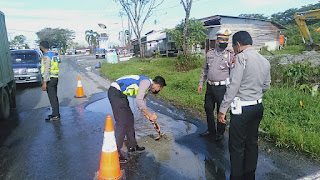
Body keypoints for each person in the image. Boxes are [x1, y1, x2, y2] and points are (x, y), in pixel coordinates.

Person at [218, 31, 271, 179]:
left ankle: (236, 177)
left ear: (238, 44)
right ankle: (249, 176)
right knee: (252, 143)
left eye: (234, 46)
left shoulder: (241, 58)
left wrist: (222, 109)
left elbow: (233, 86)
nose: (234, 49)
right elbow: (266, 86)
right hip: (257, 107)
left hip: (241, 109)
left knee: (236, 146)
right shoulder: (264, 60)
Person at [108, 75, 166, 164]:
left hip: (121, 95)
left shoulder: (147, 87)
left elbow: (142, 107)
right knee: (122, 123)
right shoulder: (146, 82)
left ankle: (133, 146)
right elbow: (138, 101)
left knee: (130, 120)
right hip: (115, 93)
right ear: (159, 86)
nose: (157, 91)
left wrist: (153, 121)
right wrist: (150, 115)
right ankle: (115, 153)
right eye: (159, 89)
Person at [198, 29, 233, 141]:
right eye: (222, 39)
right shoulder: (209, 54)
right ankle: (211, 130)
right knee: (208, 108)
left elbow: (233, 73)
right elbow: (205, 70)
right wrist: (201, 83)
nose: (224, 41)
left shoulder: (230, 55)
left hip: (222, 87)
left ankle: (220, 132)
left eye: (226, 40)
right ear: (217, 41)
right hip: (210, 86)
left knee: (221, 110)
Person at [40, 41, 60, 121]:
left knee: (52, 97)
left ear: (41, 47)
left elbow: (47, 69)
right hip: (55, 78)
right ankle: (56, 113)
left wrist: (44, 83)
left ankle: (55, 115)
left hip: (50, 79)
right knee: (54, 97)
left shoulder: (47, 56)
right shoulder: (53, 54)